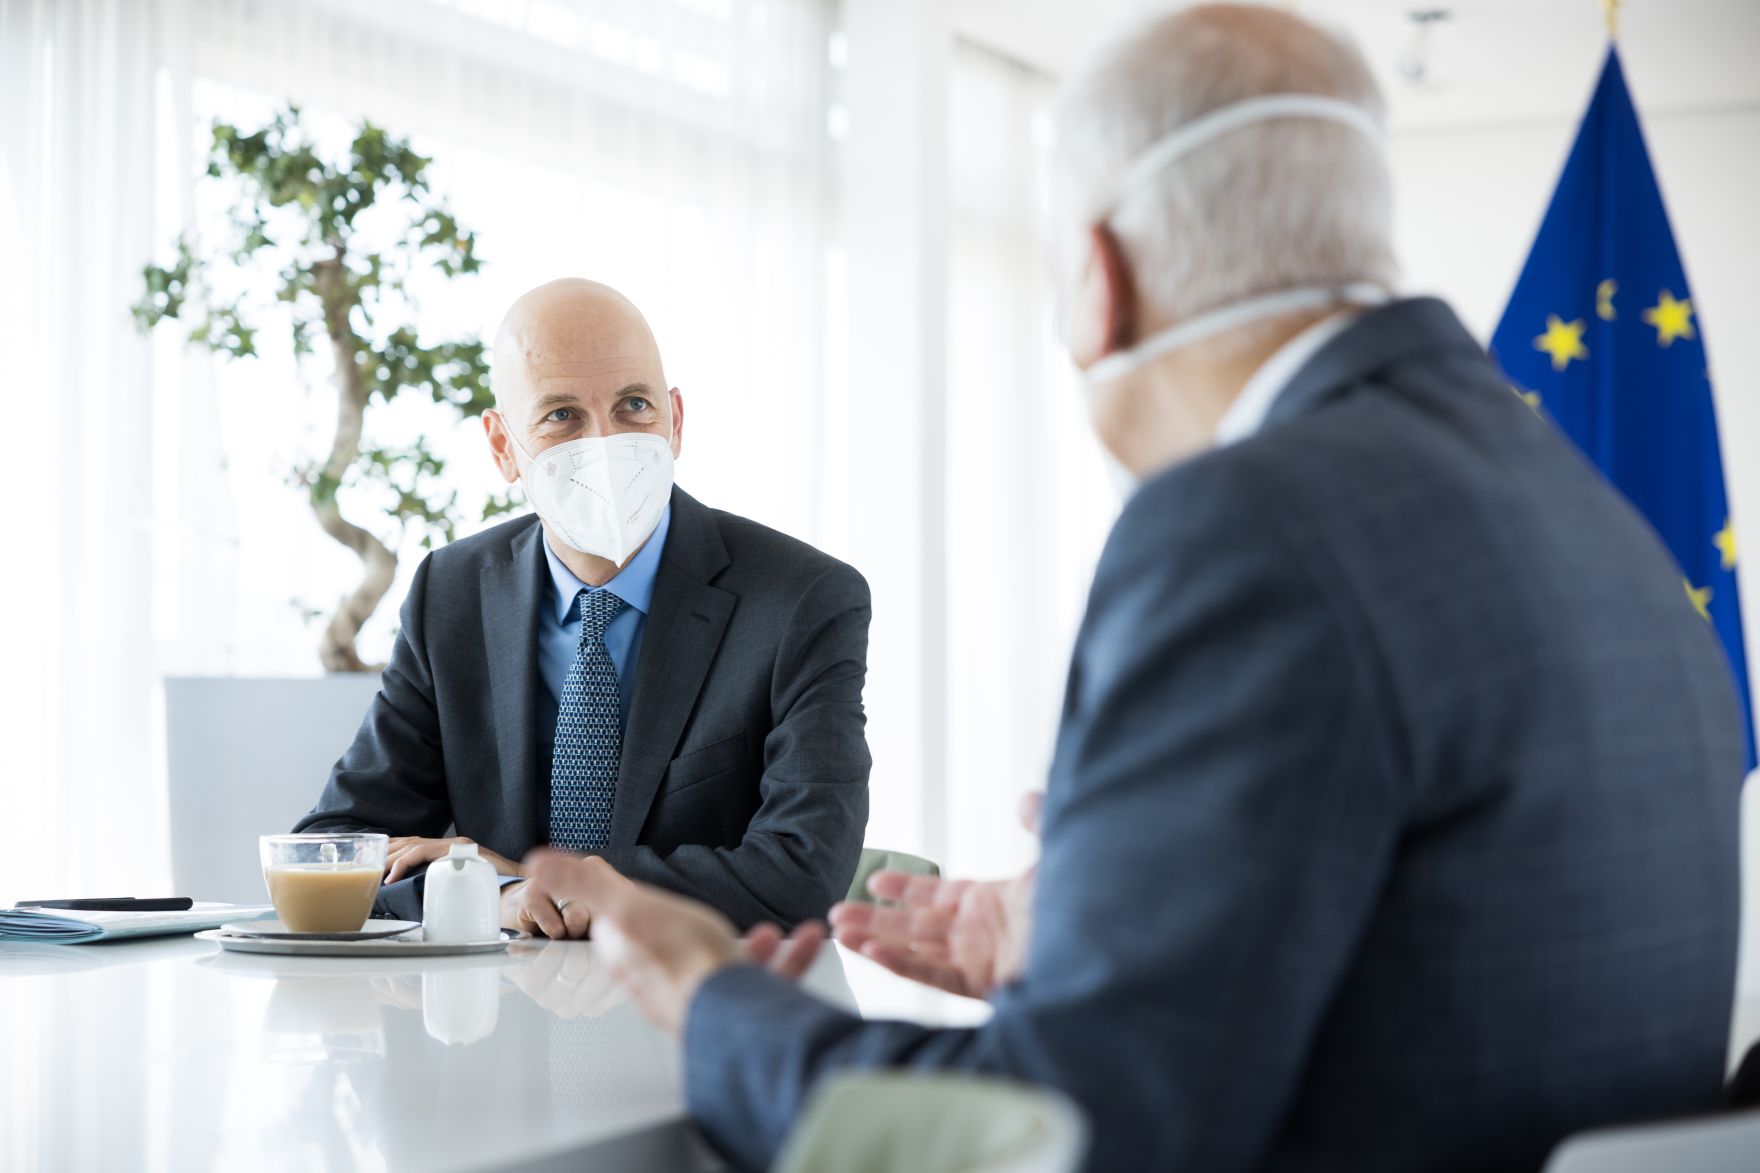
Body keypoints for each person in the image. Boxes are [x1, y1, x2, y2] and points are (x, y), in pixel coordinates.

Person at [520, 6, 1746, 1171]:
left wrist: (709, 997)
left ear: (1096, 277)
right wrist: (1110, 938)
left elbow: (1056, 1138)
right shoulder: (1590, 509)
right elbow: (1445, 975)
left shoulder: (1243, 524)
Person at [295, 278, 872, 936]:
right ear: (502, 447)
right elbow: (334, 849)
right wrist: (488, 893)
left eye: (633, 405)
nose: (605, 442)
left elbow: (803, 871)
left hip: (701, 1012)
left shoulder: (802, 599)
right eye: (562, 415)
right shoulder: (451, 593)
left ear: (675, 420)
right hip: (501, 1023)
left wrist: (514, 879)